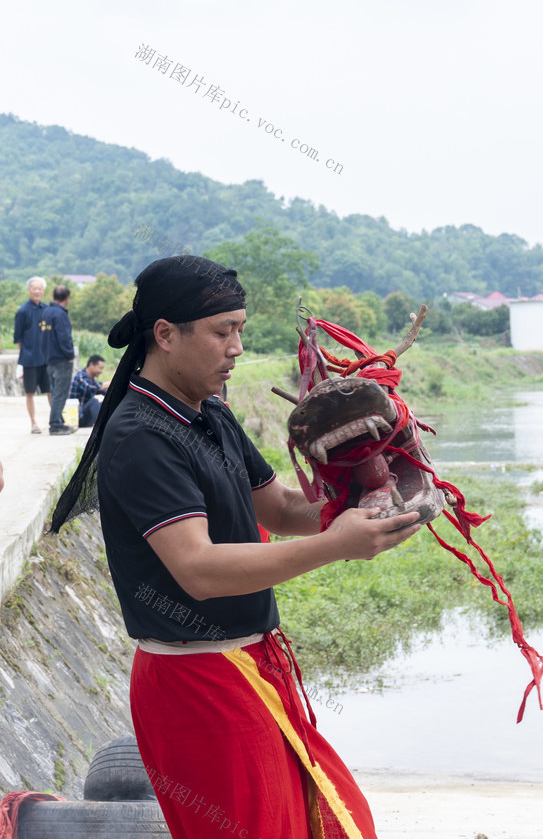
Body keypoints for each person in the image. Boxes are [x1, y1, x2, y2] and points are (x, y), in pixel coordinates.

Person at [50, 256, 421, 839]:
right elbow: (197, 569)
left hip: (253, 667)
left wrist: (359, 500)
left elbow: (276, 507)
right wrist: (338, 545)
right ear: (166, 335)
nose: (237, 348)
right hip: (196, 687)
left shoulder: (212, 414)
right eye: (223, 332)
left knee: (326, 820)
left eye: (241, 330)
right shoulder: (141, 436)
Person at [13, 276, 51, 433]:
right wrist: (26, 353)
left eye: (39, 288)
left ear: (43, 291)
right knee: (30, 392)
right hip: (29, 359)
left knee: (51, 390)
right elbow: (18, 339)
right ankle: (33, 423)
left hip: (47, 358)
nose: (37, 291)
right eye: (34, 288)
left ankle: (56, 419)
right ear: (29, 290)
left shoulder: (47, 309)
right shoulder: (22, 311)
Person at [42, 285, 76, 435]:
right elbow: (64, 338)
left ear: (54, 296)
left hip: (49, 358)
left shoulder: (46, 312)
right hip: (62, 359)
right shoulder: (60, 315)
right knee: (60, 393)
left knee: (55, 391)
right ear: (67, 298)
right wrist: (70, 355)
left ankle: (59, 421)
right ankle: (55, 425)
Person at [69, 355, 110, 427]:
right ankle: (100, 425)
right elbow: (90, 387)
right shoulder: (81, 376)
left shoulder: (91, 379)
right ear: (91, 365)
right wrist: (110, 383)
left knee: (108, 402)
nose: (101, 371)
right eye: (100, 368)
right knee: (94, 401)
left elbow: (103, 390)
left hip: (86, 416)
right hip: (78, 417)